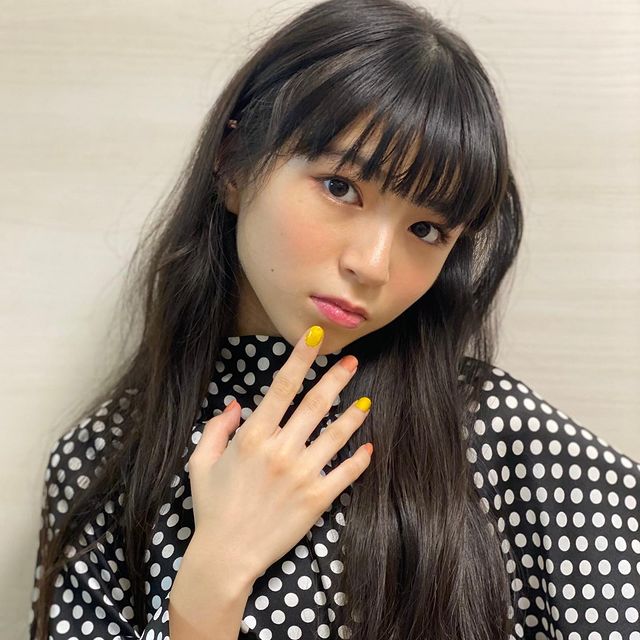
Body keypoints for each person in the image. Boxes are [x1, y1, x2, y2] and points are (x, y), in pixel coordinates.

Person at [28, 0, 640, 638]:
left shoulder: (506, 440)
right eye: (342, 187)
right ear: (234, 163)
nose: (373, 265)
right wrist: (211, 585)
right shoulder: (101, 465)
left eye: (426, 229)